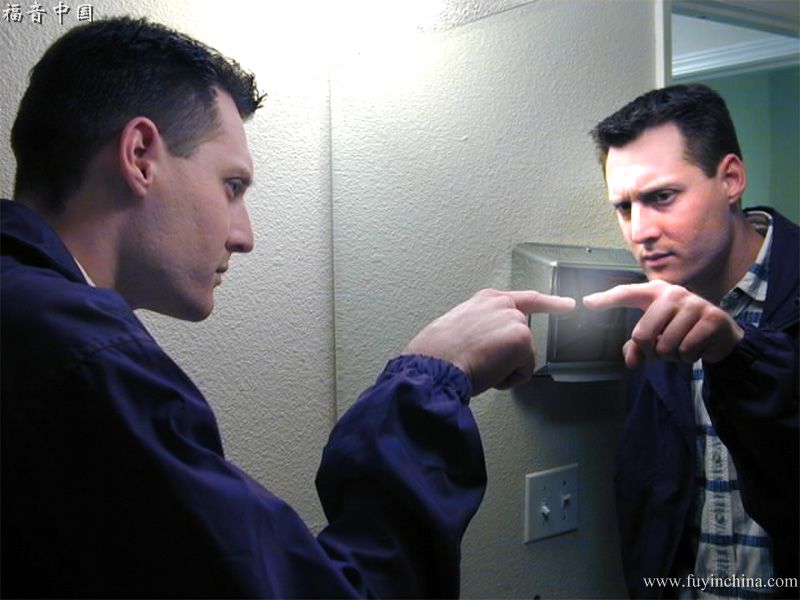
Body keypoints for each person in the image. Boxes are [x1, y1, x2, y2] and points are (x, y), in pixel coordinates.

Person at [0, 17, 576, 599]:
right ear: (141, 155)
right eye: (232, 186)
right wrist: (433, 378)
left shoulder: (28, 324)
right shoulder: (83, 358)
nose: (244, 236)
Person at [585, 84, 798, 598]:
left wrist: (741, 355)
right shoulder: (645, 315)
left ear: (730, 179)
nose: (641, 231)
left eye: (662, 197)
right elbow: (653, 497)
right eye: (624, 207)